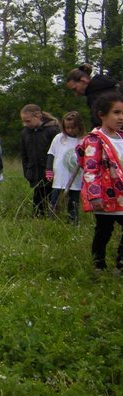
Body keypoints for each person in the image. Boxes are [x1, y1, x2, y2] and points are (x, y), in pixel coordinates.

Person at [76, 92, 123, 273]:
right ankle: (99, 265)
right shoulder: (94, 141)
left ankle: (121, 262)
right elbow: (90, 170)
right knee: (104, 231)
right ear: (102, 115)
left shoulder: (121, 137)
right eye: (116, 113)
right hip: (105, 195)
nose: (120, 118)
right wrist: (94, 195)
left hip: (121, 194)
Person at [19, 104, 60, 217]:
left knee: (53, 199)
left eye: (28, 121)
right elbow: (24, 154)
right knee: (38, 202)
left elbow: (59, 152)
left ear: (38, 116)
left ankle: (54, 218)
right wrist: (27, 171)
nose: (25, 124)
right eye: (23, 122)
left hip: (51, 173)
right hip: (34, 173)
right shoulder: (25, 133)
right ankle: (38, 219)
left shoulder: (53, 130)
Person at [46, 111, 85, 224]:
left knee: (73, 202)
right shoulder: (59, 138)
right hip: (60, 178)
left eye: (73, 127)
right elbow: (51, 153)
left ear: (79, 126)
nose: (70, 130)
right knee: (55, 200)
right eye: (67, 128)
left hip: (76, 178)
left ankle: (72, 221)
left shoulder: (83, 140)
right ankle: (52, 221)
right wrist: (49, 170)